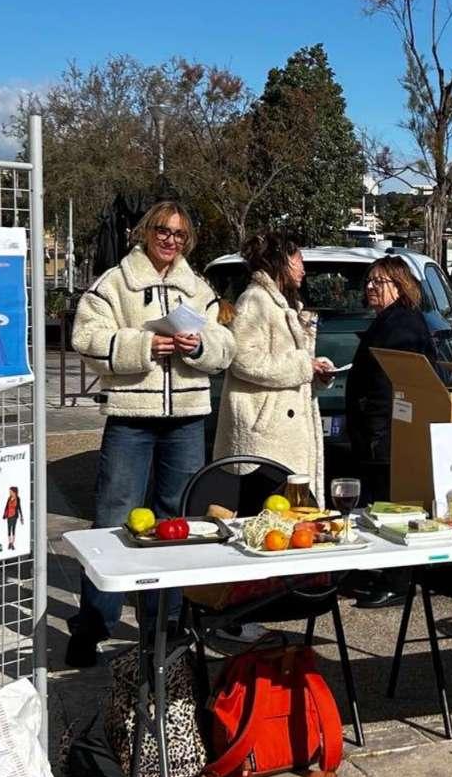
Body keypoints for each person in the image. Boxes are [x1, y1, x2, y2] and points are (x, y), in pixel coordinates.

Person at [67, 197, 234, 667]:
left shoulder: (197, 288)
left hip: (186, 420)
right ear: (146, 231)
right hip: (131, 418)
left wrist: (198, 344)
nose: (170, 240)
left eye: (179, 234)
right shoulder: (113, 283)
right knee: (111, 519)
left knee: (178, 520)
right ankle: (93, 626)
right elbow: (86, 338)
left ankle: (167, 624)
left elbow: (225, 346)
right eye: (163, 229)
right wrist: (143, 344)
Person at [345, 256, 438, 607]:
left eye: (379, 282)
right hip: (380, 430)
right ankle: (384, 573)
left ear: (400, 285)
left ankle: (397, 582)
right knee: (382, 505)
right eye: (368, 281)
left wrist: (376, 431)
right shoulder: (391, 319)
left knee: (392, 507)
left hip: (387, 433)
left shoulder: (401, 324)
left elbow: (394, 387)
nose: (370, 287)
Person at [217, 232, 334, 496]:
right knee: (266, 514)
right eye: (299, 258)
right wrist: (304, 365)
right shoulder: (254, 300)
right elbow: (243, 360)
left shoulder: (282, 302)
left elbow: (289, 365)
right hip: (265, 437)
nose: (304, 268)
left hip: (284, 432)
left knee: (288, 516)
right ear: (281, 260)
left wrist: (315, 372)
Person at [3, 486, 22, 551]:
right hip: (9, 515)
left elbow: (19, 507)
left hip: (14, 515)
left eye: (10, 491)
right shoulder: (9, 498)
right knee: (9, 529)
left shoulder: (18, 498)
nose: (9, 492)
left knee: (13, 529)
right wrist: (4, 515)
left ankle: (12, 544)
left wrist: (21, 516)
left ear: (14, 492)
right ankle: (9, 543)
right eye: (9, 491)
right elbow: (6, 506)